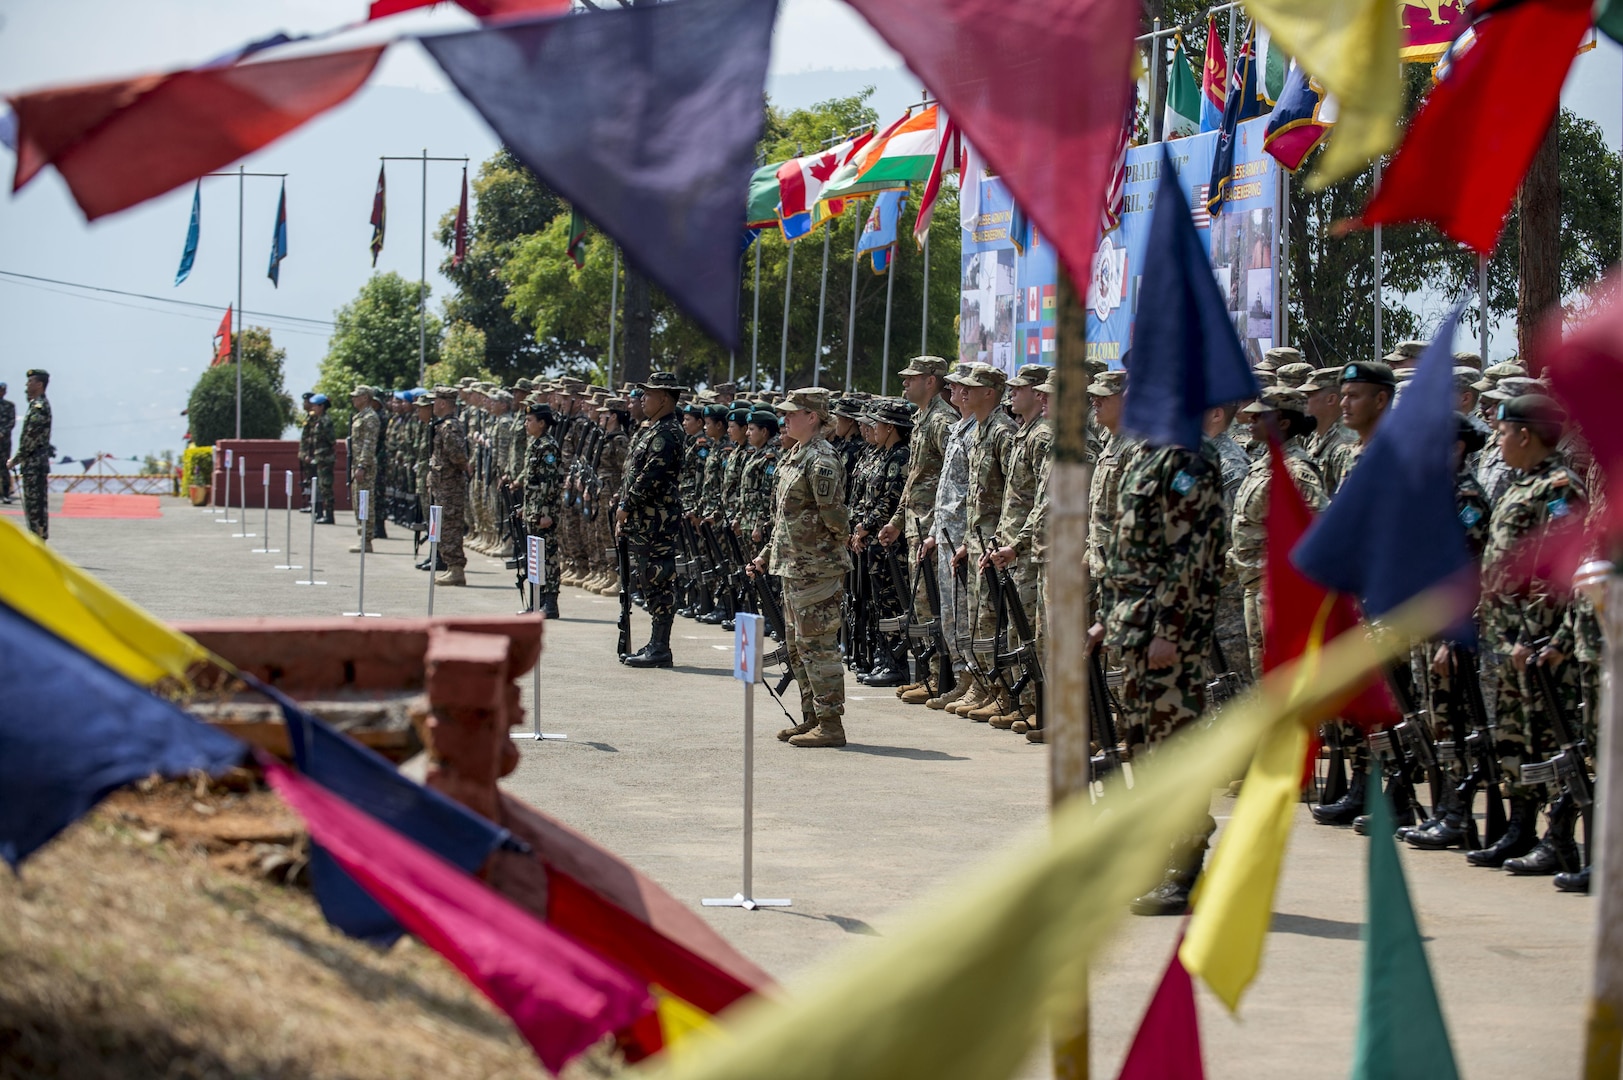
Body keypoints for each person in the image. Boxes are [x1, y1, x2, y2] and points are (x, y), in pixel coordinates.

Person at [1103, 414, 1230, 916]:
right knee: (1143, 745)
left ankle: (1184, 869)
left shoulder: (1187, 460)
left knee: (1174, 748)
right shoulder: (1151, 453)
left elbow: (1192, 557)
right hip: (1137, 624)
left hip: (1166, 633)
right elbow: (1133, 551)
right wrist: (1108, 618)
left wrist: (1170, 631)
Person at [1468, 394, 1588, 874]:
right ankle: (1519, 826)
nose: (1497, 440)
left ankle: (1559, 837)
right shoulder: (1522, 484)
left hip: (1537, 639)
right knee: (1516, 736)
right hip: (1505, 635)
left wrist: (1536, 637)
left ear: (1524, 433)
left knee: (1550, 735)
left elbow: (1559, 572)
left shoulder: (1559, 488)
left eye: (1502, 432)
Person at [751, 388, 851, 747]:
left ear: (813, 417)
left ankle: (831, 723)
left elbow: (836, 517)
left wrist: (824, 549)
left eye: (793, 413)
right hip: (793, 566)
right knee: (797, 646)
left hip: (817, 569)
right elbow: (784, 519)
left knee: (819, 646)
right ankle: (812, 717)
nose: (785, 418)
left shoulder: (821, 460)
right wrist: (765, 555)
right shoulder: (794, 455)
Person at [879, 357, 956, 703]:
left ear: (931, 381)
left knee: (932, 604)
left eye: (911, 378)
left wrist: (938, 527)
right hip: (914, 527)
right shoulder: (922, 420)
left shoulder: (942, 421)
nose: (904, 384)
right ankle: (926, 673)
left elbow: (951, 481)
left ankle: (941, 679)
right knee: (920, 606)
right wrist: (896, 520)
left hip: (932, 529)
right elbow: (915, 480)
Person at [950, 363, 1017, 722]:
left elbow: (1013, 492)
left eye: (971, 387)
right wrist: (965, 541)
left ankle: (1004, 691)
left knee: (994, 618)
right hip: (978, 540)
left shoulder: (1003, 432)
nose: (963, 392)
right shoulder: (981, 429)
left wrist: (1001, 541)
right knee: (979, 618)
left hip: (995, 542)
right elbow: (977, 496)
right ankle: (986, 685)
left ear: (989, 392)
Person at [617, 371, 686, 668]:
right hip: (644, 520)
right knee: (647, 577)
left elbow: (651, 476)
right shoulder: (652, 429)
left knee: (658, 578)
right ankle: (656, 643)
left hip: (655, 520)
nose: (643, 399)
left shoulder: (668, 433)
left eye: (649, 394)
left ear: (665, 398)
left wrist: (627, 505)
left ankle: (661, 646)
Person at [520, 402, 563, 619]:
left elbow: (550, 483)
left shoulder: (548, 447)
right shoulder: (535, 444)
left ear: (542, 423)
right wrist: (526, 508)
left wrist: (545, 512)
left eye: (530, 420)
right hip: (533, 511)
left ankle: (550, 603)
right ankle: (535, 602)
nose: (526, 424)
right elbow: (532, 483)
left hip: (544, 514)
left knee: (548, 558)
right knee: (534, 557)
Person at [429, 386, 471, 586]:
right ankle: (451, 567)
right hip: (443, 485)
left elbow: (458, 456)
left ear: (443, 403)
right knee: (445, 527)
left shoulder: (449, 426)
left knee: (451, 527)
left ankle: (456, 569)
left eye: (435, 400)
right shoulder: (442, 424)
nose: (432, 404)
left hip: (450, 486)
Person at [10, 369, 52, 539]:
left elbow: (31, 438)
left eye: (30, 382)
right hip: (33, 465)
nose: (27, 385)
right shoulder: (35, 404)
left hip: (34, 465)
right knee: (34, 506)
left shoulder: (39, 407)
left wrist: (15, 459)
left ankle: (38, 541)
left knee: (35, 507)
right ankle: (37, 539)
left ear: (39, 384)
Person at [348, 385, 381, 554]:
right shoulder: (360, 416)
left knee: (364, 502)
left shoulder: (370, 418)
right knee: (358, 501)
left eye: (357, 396)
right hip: (357, 464)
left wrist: (362, 465)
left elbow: (369, 444)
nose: (353, 399)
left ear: (365, 398)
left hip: (365, 466)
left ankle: (366, 539)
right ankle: (362, 536)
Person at [1, 381, 18, 504]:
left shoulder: (9, 406)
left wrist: (2, 433)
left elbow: (11, 422)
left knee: (4, 467)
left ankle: (5, 494)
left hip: (4, 442)